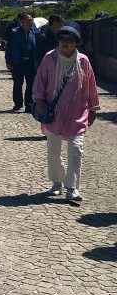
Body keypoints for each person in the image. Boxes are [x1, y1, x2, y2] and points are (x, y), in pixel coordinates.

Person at [32, 25, 99, 202]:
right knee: (53, 150)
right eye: (62, 40)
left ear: (76, 43)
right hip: (54, 113)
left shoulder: (83, 61)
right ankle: (57, 183)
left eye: (69, 40)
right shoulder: (49, 58)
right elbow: (40, 81)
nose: (65, 43)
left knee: (76, 149)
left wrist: (93, 108)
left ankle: (72, 187)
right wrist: (38, 100)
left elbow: (91, 85)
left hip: (77, 112)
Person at [5, 13, 39, 112]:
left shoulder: (34, 32)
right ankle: (18, 103)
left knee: (31, 84)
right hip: (18, 61)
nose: (31, 22)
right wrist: (8, 61)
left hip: (30, 62)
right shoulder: (14, 32)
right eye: (28, 20)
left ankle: (29, 104)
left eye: (31, 20)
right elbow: (9, 47)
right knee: (18, 84)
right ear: (22, 21)